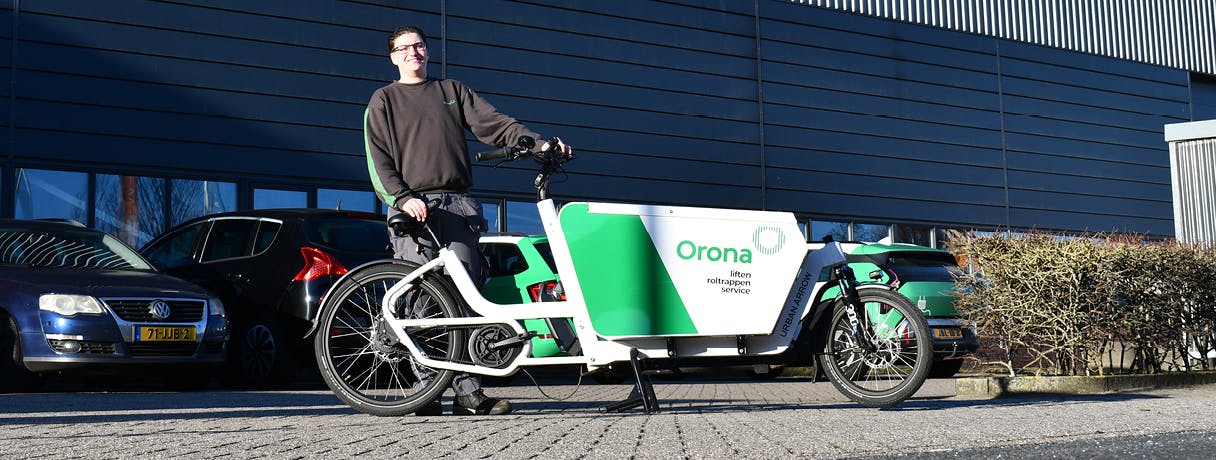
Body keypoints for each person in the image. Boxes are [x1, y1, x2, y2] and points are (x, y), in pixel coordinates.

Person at [363, 25, 572, 416]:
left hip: (458, 206)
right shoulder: (384, 100)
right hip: (414, 208)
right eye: (405, 48)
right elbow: (379, 162)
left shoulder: (451, 91)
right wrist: (403, 198)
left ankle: (467, 393)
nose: (414, 52)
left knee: (468, 298)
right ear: (393, 56)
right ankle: (426, 392)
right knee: (423, 303)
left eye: (420, 45)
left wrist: (538, 143)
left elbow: (495, 125)